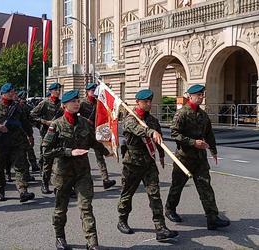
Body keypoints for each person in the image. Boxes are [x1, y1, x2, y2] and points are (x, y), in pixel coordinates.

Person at [43, 90, 110, 250]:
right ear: (64, 105)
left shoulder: (85, 123)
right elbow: (46, 151)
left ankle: (92, 243)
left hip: (82, 173)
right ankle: (60, 237)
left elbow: (94, 142)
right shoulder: (56, 125)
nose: (76, 103)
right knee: (61, 209)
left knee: (86, 207)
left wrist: (108, 151)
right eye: (72, 101)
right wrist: (69, 152)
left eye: (77, 100)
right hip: (63, 174)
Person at [165, 84, 230, 230]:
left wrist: (213, 150)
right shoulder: (181, 113)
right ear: (190, 96)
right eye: (198, 95)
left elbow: (209, 134)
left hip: (200, 159)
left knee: (205, 187)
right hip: (184, 158)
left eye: (202, 95)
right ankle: (170, 209)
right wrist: (194, 142)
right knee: (177, 186)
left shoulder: (203, 115)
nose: (201, 97)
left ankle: (212, 218)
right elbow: (174, 134)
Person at [117, 89, 178, 242]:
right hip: (132, 164)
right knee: (127, 194)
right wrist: (150, 132)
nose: (149, 104)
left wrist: (162, 155)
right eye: (145, 102)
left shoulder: (152, 120)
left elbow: (159, 139)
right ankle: (122, 220)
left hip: (148, 163)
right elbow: (139, 130)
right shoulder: (130, 119)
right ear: (137, 102)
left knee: (154, 194)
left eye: (150, 101)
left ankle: (160, 228)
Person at [0, 83, 35, 202]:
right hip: (0, 142)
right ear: (3, 93)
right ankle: (0, 191)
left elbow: (25, 122)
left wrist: (30, 135)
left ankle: (23, 191)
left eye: (13, 91)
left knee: (20, 167)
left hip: (17, 142)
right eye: (10, 92)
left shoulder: (17, 107)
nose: (12, 93)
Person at [79, 82, 116, 190]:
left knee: (100, 157)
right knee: (81, 158)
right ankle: (81, 181)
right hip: (84, 134)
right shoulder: (82, 103)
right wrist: (86, 121)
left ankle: (106, 180)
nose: (93, 93)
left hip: (95, 134)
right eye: (91, 91)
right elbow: (76, 115)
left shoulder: (98, 103)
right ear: (87, 91)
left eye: (94, 91)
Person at [30, 82, 64, 194]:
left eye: (59, 90)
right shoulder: (45, 103)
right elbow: (33, 114)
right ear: (51, 91)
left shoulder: (62, 104)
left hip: (59, 134)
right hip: (47, 135)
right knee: (47, 160)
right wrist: (45, 122)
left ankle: (62, 185)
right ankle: (45, 183)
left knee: (61, 160)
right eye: (56, 90)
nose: (58, 92)